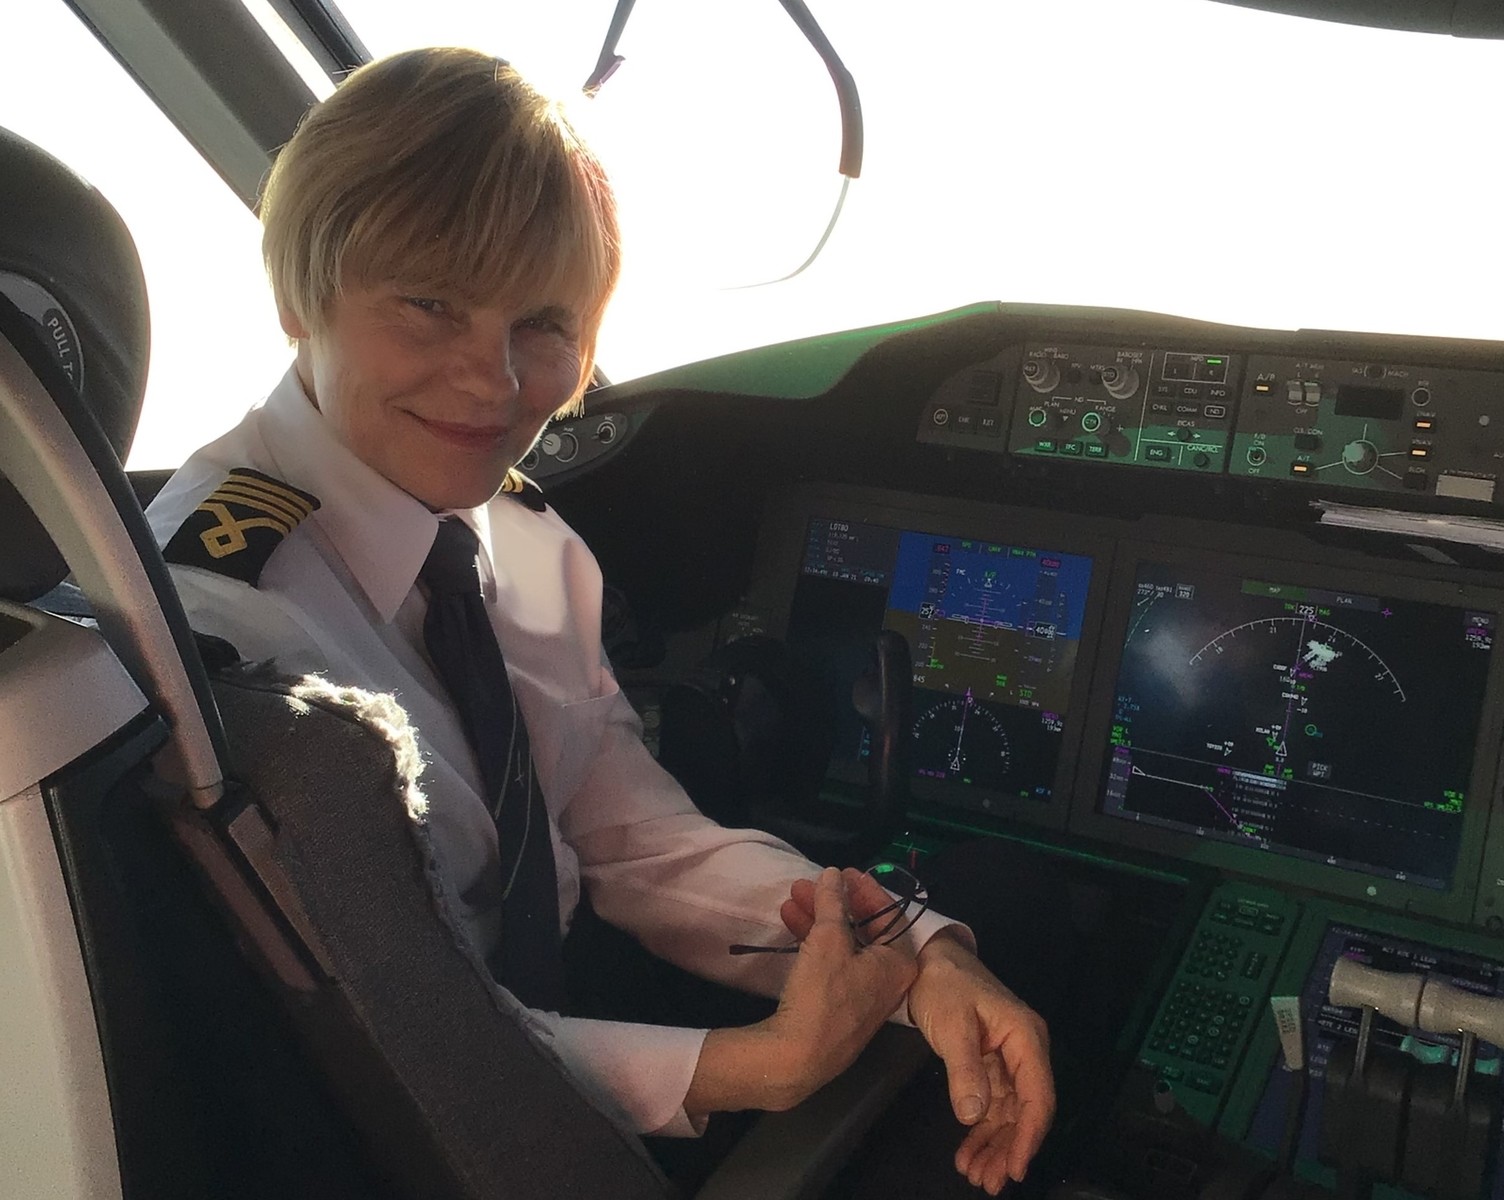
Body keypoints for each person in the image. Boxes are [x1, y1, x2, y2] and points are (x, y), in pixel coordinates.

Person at [146, 46, 1053, 1195]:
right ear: (298, 295)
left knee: (998, 912)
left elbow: (633, 836)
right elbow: (382, 1039)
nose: (493, 382)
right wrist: (753, 1069)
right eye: (429, 304)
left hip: (563, 1005)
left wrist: (911, 956)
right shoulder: (224, 626)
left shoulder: (515, 540)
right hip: (425, 1142)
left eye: (541, 322)